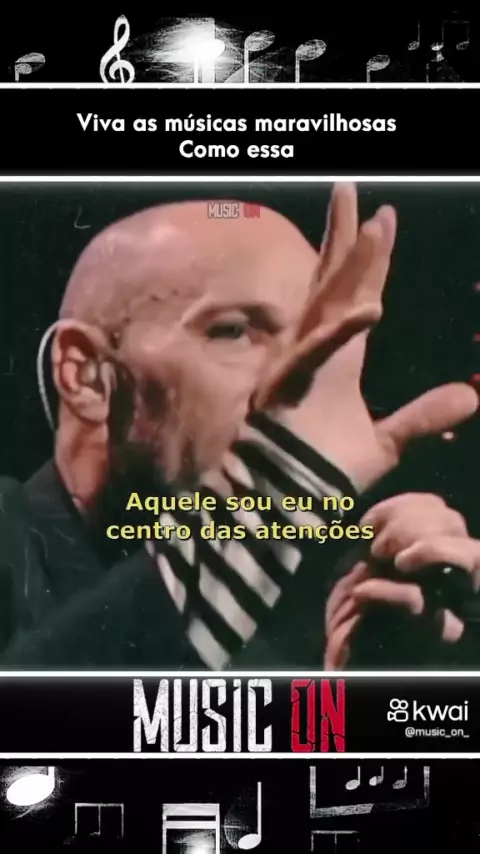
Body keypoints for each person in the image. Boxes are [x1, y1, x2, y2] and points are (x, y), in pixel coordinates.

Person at [0, 183, 478, 669]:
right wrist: (278, 495)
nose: (293, 379)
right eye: (233, 331)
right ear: (85, 375)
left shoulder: (274, 643)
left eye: (308, 340)